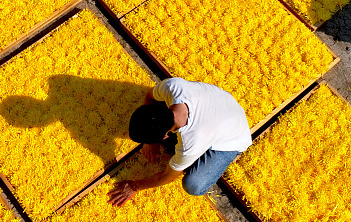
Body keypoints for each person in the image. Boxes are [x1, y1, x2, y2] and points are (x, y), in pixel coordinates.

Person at [107, 77, 251, 206]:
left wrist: (134, 186)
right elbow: (149, 96)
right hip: (224, 104)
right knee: (177, 153)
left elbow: (166, 177)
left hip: (234, 137)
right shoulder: (173, 87)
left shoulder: (192, 142)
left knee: (193, 185)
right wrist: (150, 142)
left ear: (164, 136)